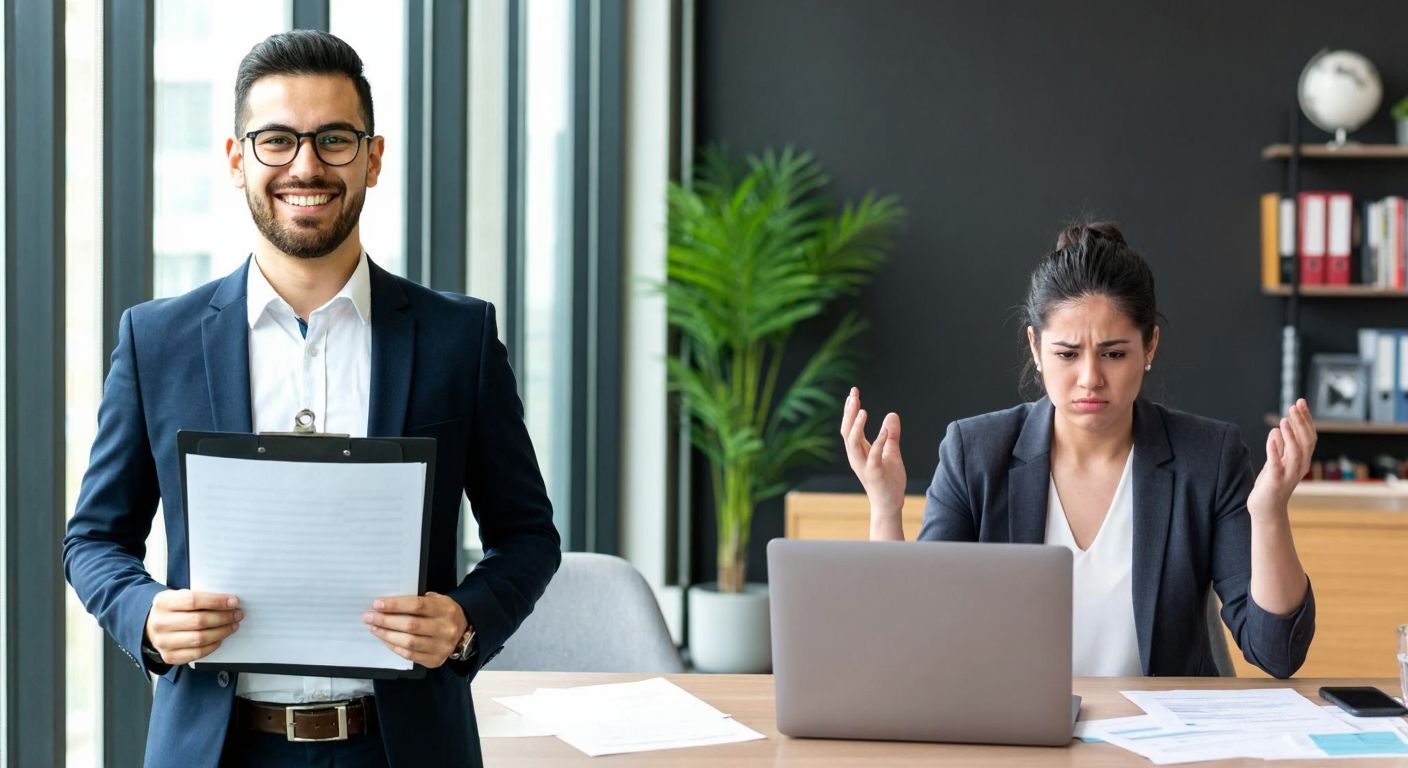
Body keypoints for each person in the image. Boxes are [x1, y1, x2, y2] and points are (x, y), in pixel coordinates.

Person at [62, 30, 560, 767]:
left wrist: (463, 620)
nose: (306, 166)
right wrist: (146, 616)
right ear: (238, 160)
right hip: (218, 747)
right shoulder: (155, 341)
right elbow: (93, 541)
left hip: (404, 746)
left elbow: (528, 536)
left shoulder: (460, 336)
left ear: (373, 157)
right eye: (276, 140)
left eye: (333, 139)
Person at [841, 222, 1315, 679]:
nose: (1090, 377)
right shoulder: (975, 453)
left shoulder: (1207, 457)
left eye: (1114, 353)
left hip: (1160, 745)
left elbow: (1276, 653)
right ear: (1035, 347)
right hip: (1013, 733)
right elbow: (913, 639)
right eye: (1067, 354)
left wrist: (1269, 512)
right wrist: (886, 509)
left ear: (1150, 345)